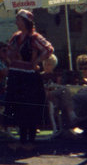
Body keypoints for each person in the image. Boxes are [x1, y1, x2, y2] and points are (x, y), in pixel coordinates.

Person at [5, 10, 53, 151]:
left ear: (26, 22)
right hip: (16, 75)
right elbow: (8, 51)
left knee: (29, 108)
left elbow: (48, 49)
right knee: (19, 109)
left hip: (29, 77)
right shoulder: (16, 37)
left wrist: (36, 60)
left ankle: (30, 141)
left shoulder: (34, 37)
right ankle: (21, 140)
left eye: (19, 20)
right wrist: (11, 59)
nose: (16, 22)